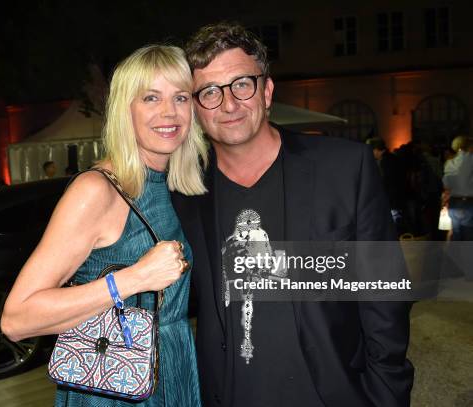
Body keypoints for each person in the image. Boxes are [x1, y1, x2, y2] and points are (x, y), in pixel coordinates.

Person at [171, 23, 413, 407]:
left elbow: (385, 295)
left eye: (242, 84)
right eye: (210, 92)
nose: (229, 104)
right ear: (196, 107)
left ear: (266, 91)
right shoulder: (182, 192)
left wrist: (385, 394)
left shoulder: (345, 168)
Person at [1, 45, 207, 406]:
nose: (168, 112)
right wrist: (135, 279)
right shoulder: (97, 191)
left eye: (181, 97)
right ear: (125, 109)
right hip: (116, 382)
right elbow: (18, 319)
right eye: (150, 97)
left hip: (171, 362)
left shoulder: (175, 186)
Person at [443, 135, 473, 241]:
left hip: (454, 202)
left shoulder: (449, 162)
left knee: (456, 234)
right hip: (469, 202)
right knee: (469, 235)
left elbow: (446, 185)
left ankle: (457, 256)